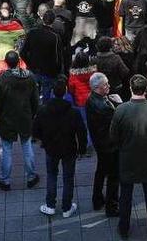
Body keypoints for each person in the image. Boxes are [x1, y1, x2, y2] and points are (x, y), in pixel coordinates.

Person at [110, 74, 147, 239]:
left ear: (130, 88)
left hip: (127, 158)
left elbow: (113, 136)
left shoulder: (121, 109)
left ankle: (124, 228)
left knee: (126, 196)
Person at [33, 78, 87, 217]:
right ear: (66, 92)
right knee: (68, 178)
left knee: (52, 175)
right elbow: (81, 131)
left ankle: (50, 205)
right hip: (69, 149)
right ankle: (66, 207)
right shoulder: (73, 112)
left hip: (51, 149)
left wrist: (43, 141)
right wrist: (82, 149)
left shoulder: (43, 110)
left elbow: (35, 130)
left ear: (52, 92)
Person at [0, 50, 40, 191]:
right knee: (27, 147)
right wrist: (33, 114)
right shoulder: (30, 77)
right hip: (25, 118)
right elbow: (35, 100)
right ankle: (31, 177)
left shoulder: (1, 80)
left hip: (7, 119)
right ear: (19, 61)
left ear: (6, 63)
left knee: (6, 149)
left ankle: (5, 180)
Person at [86, 72, 120, 217]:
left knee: (101, 171)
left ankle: (97, 199)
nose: (109, 86)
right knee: (113, 176)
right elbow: (118, 119)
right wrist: (118, 103)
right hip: (109, 146)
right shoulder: (104, 107)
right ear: (97, 87)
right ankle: (111, 207)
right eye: (105, 84)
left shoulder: (91, 99)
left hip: (100, 143)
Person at [20, 10, 65, 101]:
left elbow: (23, 52)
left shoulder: (32, 33)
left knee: (33, 96)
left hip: (34, 70)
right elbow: (58, 58)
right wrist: (57, 72)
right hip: (48, 72)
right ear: (53, 21)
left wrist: (30, 64)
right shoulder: (55, 37)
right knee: (46, 97)